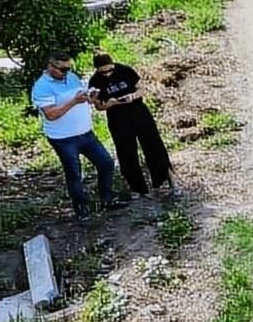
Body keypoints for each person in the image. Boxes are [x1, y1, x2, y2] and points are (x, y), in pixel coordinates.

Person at [32, 49, 124, 223]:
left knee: (106, 163)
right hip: (63, 138)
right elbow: (51, 114)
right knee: (74, 173)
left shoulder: (72, 77)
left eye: (69, 68)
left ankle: (107, 198)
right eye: (63, 69)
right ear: (50, 67)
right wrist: (74, 101)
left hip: (85, 133)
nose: (67, 72)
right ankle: (82, 210)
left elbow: (84, 98)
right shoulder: (42, 87)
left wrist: (91, 97)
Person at [88, 52, 175, 199]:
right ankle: (138, 188)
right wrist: (108, 104)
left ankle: (161, 180)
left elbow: (141, 89)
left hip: (138, 112)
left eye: (110, 70)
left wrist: (133, 96)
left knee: (153, 145)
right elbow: (98, 105)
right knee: (126, 152)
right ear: (97, 70)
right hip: (117, 118)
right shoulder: (95, 81)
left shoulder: (125, 70)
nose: (108, 74)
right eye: (104, 72)